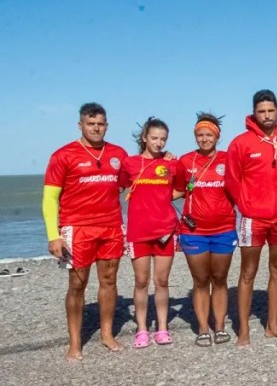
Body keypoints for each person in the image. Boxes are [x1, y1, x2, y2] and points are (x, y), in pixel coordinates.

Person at [42, 103, 130, 361]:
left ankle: (106, 334)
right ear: (80, 125)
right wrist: (53, 235)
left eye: (100, 124)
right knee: (77, 286)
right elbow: (50, 198)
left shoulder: (118, 153)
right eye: (91, 124)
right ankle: (75, 343)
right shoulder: (63, 155)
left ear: (107, 125)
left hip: (111, 226)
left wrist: (164, 159)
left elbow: (131, 181)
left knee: (109, 281)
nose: (96, 128)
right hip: (76, 228)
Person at [226, 89, 277, 346]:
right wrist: (246, 206)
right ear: (254, 113)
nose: (266, 115)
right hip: (253, 218)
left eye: (270, 110)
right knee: (248, 272)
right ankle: (244, 329)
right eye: (261, 111)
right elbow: (232, 180)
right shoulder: (241, 143)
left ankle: (272, 325)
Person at [174, 113, 237, 347]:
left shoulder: (228, 159)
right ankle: (203, 328)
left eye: (209, 135)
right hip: (194, 231)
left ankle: (219, 326)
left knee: (219, 279)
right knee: (200, 280)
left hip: (224, 229)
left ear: (217, 136)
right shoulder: (185, 161)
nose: (204, 139)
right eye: (200, 135)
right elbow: (176, 190)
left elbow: (246, 184)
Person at [120, 117, 180, 348]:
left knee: (162, 281)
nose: (159, 143)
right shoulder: (130, 163)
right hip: (138, 231)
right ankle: (142, 329)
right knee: (141, 281)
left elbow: (182, 188)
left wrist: (162, 199)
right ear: (144, 138)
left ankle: (163, 328)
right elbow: (118, 186)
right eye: (154, 138)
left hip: (165, 230)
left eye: (163, 139)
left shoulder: (171, 164)